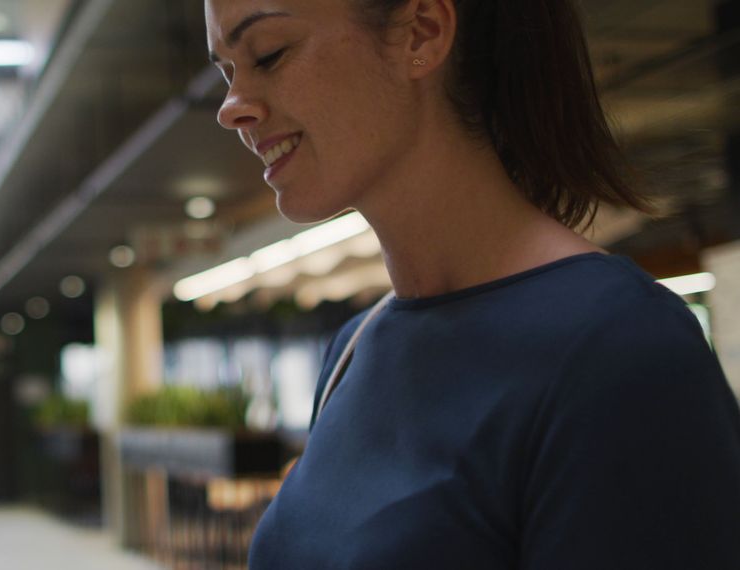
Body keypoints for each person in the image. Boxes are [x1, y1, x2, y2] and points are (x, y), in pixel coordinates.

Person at [204, 0, 740, 567]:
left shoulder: (619, 348)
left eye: (269, 53)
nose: (230, 108)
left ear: (423, 32)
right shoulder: (355, 350)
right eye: (226, 71)